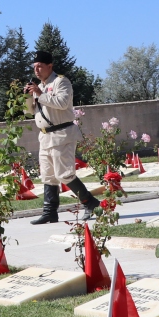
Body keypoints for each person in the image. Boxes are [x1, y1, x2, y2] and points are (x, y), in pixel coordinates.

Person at [25, 51, 101, 224]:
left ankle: (90, 203)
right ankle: (50, 212)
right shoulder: (39, 86)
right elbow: (30, 112)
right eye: (34, 67)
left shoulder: (61, 81)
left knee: (64, 174)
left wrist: (39, 93)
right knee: (48, 175)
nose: (36, 70)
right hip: (45, 136)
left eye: (40, 66)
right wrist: (29, 97)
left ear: (49, 66)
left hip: (62, 134)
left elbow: (62, 103)